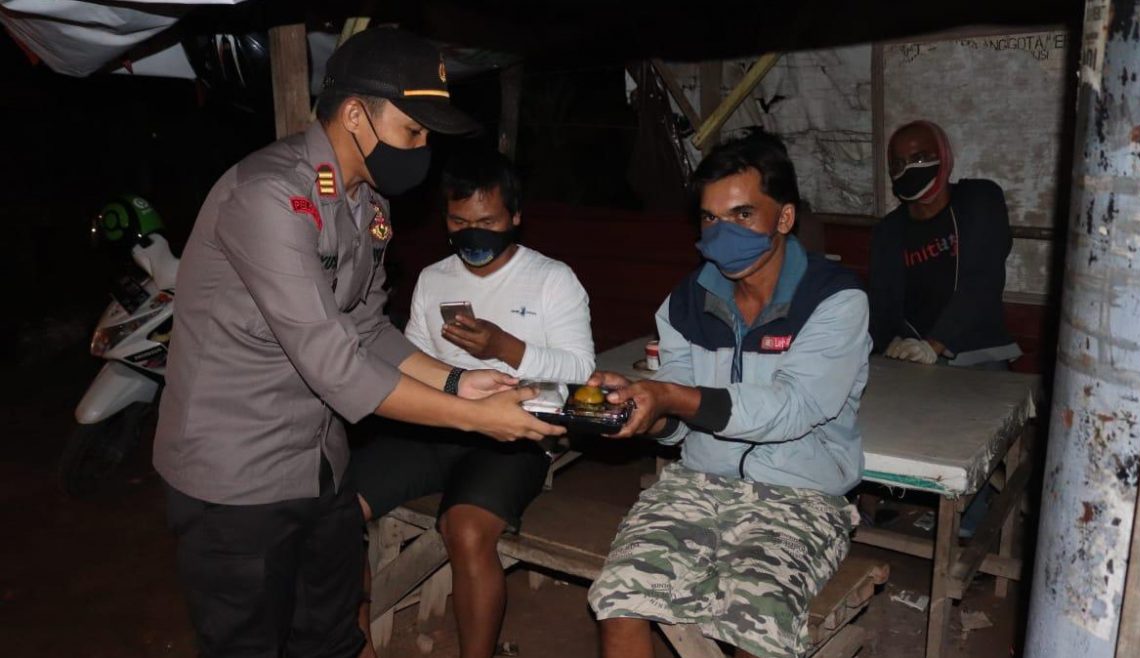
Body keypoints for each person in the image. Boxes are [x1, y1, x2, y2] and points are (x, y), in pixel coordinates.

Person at [153, 28, 563, 658]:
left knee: (332, 635)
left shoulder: (366, 201)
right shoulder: (270, 199)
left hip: (317, 461)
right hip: (234, 476)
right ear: (354, 114)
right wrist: (478, 418)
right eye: (413, 130)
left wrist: (457, 381)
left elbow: (368, 328)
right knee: (248, 645)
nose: (423, 148)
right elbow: (339, 367)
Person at [585, 132, 870, 658]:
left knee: (754, 625)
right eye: (710, 219)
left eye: (742, 215)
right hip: (698, 483)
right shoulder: (687, 302)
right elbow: (676, 423)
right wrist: (641, 407)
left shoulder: (833, 299)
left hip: (800, 496)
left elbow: (792, 409)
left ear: (784, 219)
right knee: (619, 600)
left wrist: (672, 395)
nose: (721, 234)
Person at [350, 149, 595, 658]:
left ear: (516, 216)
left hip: (515, 433)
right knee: (334, 509)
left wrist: (506, 348)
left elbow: (580, 372)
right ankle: (355, 647)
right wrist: (452, 385)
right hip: (436, 425)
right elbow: (409, 358)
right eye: (459, 222)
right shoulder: (435, 278)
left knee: (462, 529)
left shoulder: (553, 279)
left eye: (487, 221)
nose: (472, 234)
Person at [868, 120, 1021, 368]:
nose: (909, 168)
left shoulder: (978, 200)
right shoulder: (889, 231)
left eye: (919, 158)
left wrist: (935, 344)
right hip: (913, 354)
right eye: (898, 163)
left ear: (943, 155)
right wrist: (887, 344)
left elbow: (982, 280)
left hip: (977, 352)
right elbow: (882, 303)